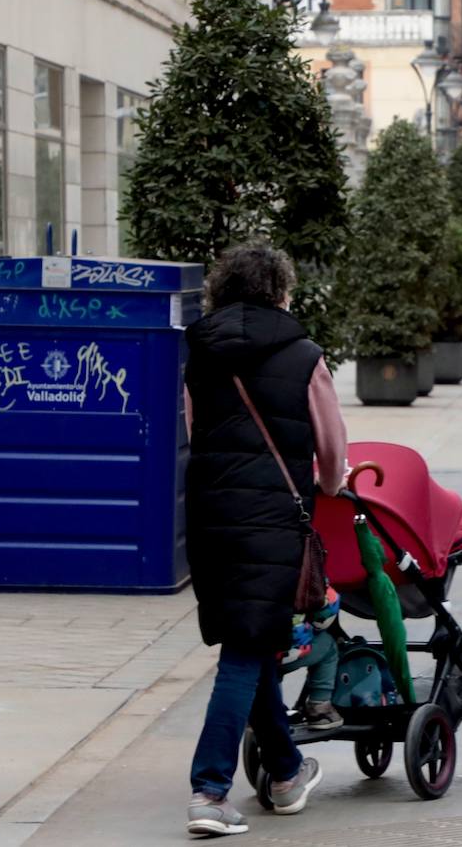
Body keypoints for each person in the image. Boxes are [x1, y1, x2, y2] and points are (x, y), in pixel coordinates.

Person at [183, 243, 347, 837]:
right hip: (274, 518)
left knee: (253, 640)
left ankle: (284, 773)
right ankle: (209, 790)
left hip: (210, 515)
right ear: (281, 291)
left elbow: (197, 432)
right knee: (247, 651)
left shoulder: (199, 352)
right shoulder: (305, 356)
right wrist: (329, 483)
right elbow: (331, 458)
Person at [279, 586, 343, 731]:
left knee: (268, 669)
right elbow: (327, 608)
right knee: (328, 646)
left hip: (250, 647)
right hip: (287, 649)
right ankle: (319, 708)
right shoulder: (308, 571)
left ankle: (270, 706)